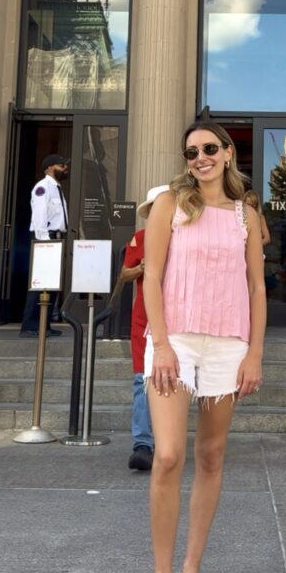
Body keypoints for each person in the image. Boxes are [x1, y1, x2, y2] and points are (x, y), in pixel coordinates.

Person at [124, 121, 266, 573]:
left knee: (210, 455)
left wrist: (255, 354)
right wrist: (160, 344)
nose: (200, 157)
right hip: (176, 341)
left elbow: (256, 287)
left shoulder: (246, 214)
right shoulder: (170, 204)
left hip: (228, 343)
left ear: (227, 153)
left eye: (209, 148)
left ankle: (191, 569)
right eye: (191, 152)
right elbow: (152, 277)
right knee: (167, 455)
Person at [120, 184, 170, 472]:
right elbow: (125, 274)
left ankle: (167, 440)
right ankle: (143, 443)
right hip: (144, 318)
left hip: (178, 319)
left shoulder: (186, 237)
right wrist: (143, 268)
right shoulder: (139, 238)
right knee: (141, 380)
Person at [19, 154, 70, 337]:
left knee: (52, 284)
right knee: (40, 283)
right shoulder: (43, 187)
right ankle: (31, 326)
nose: (65, 168)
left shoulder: (57, 188)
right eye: (61, 165)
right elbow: (39, 217)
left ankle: (44, 325)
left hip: (56, 239)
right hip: (46, 239)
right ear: (49, 167)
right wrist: (45, 244)